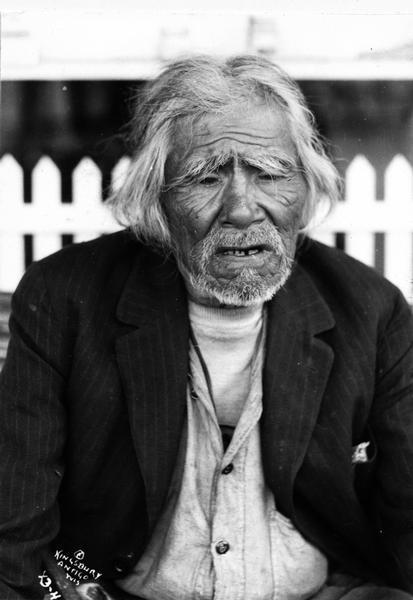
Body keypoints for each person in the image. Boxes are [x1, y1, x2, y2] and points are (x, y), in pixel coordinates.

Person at [0, 55, 412, 600]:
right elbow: (16, 531)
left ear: (307, 189)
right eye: (205, 177)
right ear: (156, 198)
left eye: (269, 173)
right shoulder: (64, 298)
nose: (242, 209)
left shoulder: (370, 307)